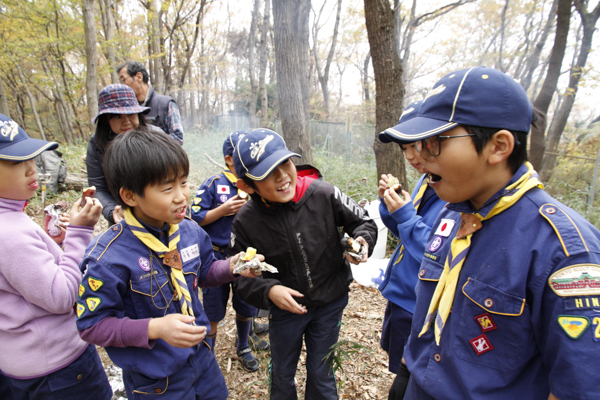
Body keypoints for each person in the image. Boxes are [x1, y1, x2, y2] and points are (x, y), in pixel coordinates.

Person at [392, 66, 600, 400]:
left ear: (498, 146)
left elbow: (578, 384)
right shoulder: (452, 213)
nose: (417, 155)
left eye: (433, 143)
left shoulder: (565, 251)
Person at [75, 127, 260, 400]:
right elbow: (92, 324)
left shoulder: (189, 231)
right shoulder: (108, 258)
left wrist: (234, 266)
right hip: (155, 379)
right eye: (167, 188)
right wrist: (154, 329)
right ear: (130, 196)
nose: (181, 196)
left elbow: (205, 271)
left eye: (183, 182)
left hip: (202, 360)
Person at [230, 128, 378, 399]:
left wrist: (362, 242)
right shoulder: (245, 223)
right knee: (282, 374)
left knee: (322, 371)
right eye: (267, 173)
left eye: (285, 163)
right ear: (247, 186)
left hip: (330, 301)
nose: (282, 176)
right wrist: (269, 291)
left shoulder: (323, 194)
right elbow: (240, 276)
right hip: (286, 310)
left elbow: (364, 222)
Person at [0, 114, 111, 399]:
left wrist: (53, 246)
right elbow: (61, 297)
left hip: (23, 362)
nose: (31, 170)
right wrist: (79, 233)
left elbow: (21, 278)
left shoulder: (10, 219)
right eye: (15, 163)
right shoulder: (9, 233)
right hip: (57, 371)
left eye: (30, 159)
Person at [376, 100, 447, 400]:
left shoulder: (454, 189)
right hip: (401, 293)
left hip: (419, 300)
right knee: (400, 365)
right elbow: (406, 234)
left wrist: (406, 215)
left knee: (412, 373)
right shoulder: (427, 180)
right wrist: (390, 207)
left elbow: (438, 252)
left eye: (414, 145)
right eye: (403, 148)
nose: (409, 157)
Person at [190, 130, 268, 373]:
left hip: (244, 254)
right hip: (215, 257)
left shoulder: (256, 183)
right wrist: (222, 210)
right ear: (228, 159)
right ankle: (208, 356)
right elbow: (195, 218)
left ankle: (243, 345)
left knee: (245, 305)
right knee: (213, 310)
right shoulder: (213, 184)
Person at [87, 83, 159, 225]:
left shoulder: (156, 137)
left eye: (131, 114)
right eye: (117, 116)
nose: (126, 122)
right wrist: (112, 212)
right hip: (122, 215)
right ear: (105, 120)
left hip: (160, 211)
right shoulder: (97, 144)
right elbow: (98, 187)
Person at [117, 61, 184, 145]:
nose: (122, 86)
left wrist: (147, 145)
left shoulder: (165, 104)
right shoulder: (125, 109)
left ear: (139, 77)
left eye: (123, 80)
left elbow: (178, 139)